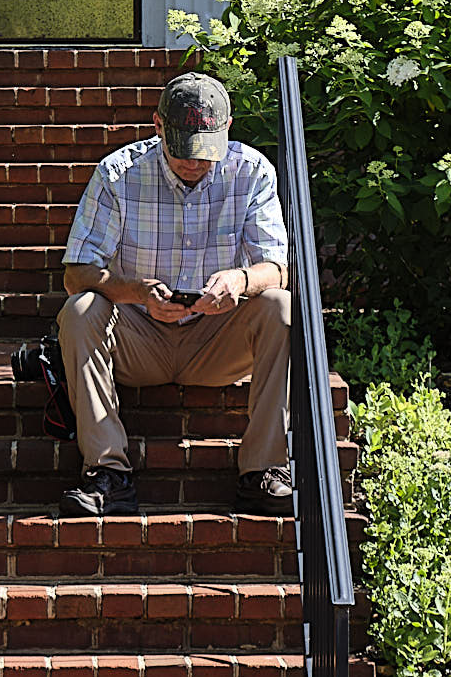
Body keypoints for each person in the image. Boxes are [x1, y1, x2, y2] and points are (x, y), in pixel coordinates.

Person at [56, 71, 292, 518]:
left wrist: (238, 282)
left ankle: (263, 472)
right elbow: (76, 273)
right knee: (80, 309)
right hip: (138, 336)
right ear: (158, 125)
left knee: (280, 306)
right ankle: (108, 475)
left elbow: (277, 268)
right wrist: (134, 292)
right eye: (184, 151)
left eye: (206, 153)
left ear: (228, 128)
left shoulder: (253, 170)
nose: (195, 163)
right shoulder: (117, 173)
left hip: (217, 339)